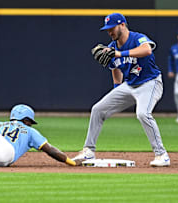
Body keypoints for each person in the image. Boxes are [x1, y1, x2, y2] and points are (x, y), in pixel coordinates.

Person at [72, 13, 170, 167]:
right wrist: (117, 91)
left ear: (122, 25)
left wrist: (120, 53)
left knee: (143, 113)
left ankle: (161, 154)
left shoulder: (137, 38)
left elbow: (146, 50)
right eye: (107, 29)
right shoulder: (111, 48)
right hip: (129, 85)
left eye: (112, 28)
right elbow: (115, 68)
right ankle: (89, 151)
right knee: (97, 109)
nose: (110, 32)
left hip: (150, 83)